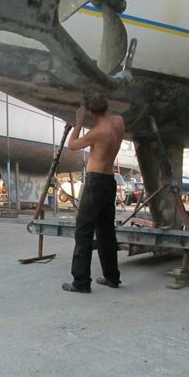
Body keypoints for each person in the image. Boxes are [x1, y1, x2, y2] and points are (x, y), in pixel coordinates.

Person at [62, 91, 125, 293]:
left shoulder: (98, 132)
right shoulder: (118, 122)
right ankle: (112, 277)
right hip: (109, 180)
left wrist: (79, 122)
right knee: (106, 231)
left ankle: (81, 282)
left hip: (95, 182)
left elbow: (72, 145)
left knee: (84, 231)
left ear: (90, 112)